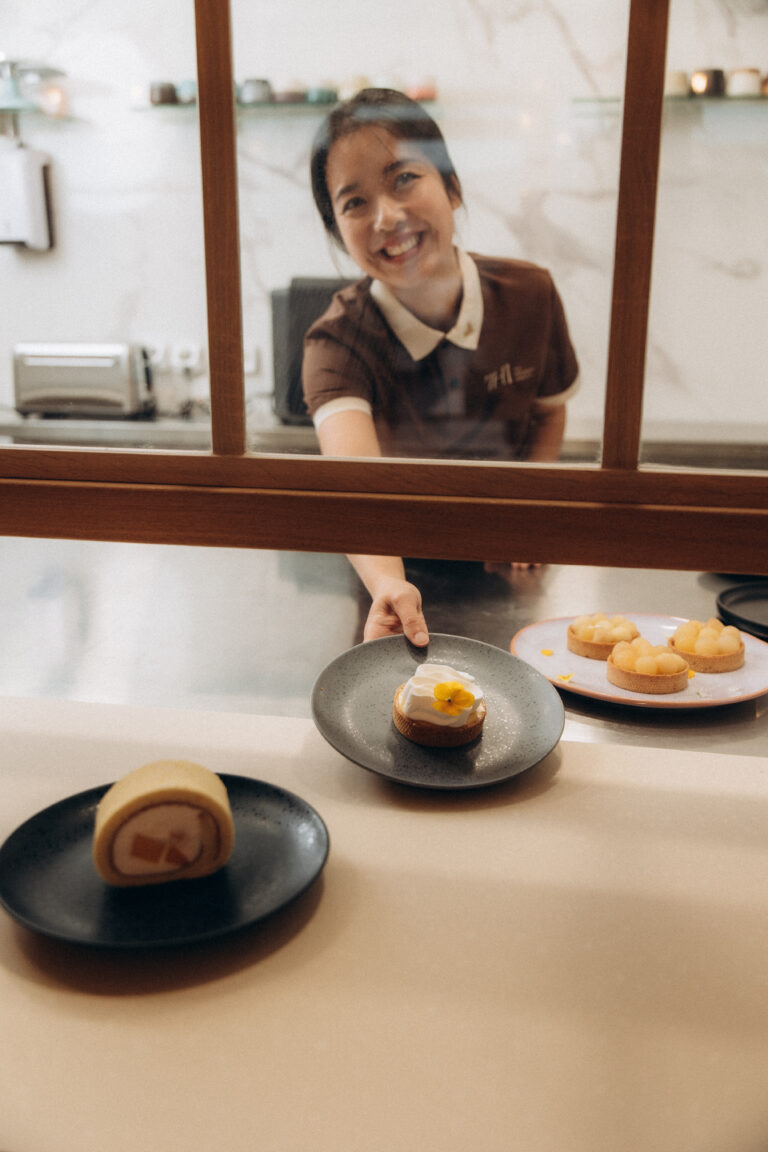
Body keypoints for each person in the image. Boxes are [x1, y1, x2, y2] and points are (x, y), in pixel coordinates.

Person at [302, 87, 579, 646]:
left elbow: (548, 416)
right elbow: (354, 488)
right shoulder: (335, 342)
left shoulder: (530, 295)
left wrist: (526, 516)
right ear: (338, 231)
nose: (387, 217)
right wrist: (387, 584)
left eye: (404, 178)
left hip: (514, 575)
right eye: (354, 203)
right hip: (393, 582)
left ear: (451, 187)